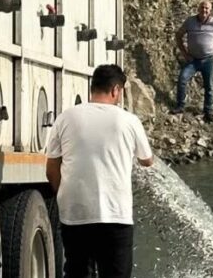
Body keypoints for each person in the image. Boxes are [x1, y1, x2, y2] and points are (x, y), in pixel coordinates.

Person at [45, 64, 154, 278]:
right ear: (115, 90)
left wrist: (66, 195)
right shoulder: (129, 120)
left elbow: (51, 169)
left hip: (75, 214)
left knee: (77, 272)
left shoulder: (66, 118)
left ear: (92, 88)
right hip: (116, 216)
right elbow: (147, 161)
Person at [170, 0, 213, 123]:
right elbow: (178, 35)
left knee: (209, 86)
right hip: (193, 59)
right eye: (202, 7)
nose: (204, 10)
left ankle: (208, 111)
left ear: (210, 11)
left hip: (208, 60)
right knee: (182, 79)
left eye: (207, 9)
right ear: (198, 9)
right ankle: (180, 106)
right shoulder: (190, 21)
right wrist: (184, 53)